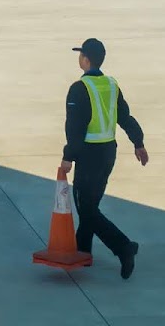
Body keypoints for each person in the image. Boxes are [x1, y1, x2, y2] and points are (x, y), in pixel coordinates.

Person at [58, 36, 146, 279]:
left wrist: (68, 157)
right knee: (91, 206)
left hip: (88, 155)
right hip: (108, 153)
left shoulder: (80, 88)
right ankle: (83, 253)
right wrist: (138, 142)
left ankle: (123, 247)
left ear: (85, 60)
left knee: (86, 209)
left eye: (80, 54)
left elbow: (74, 127)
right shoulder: (111, 84)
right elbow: (125, 116)